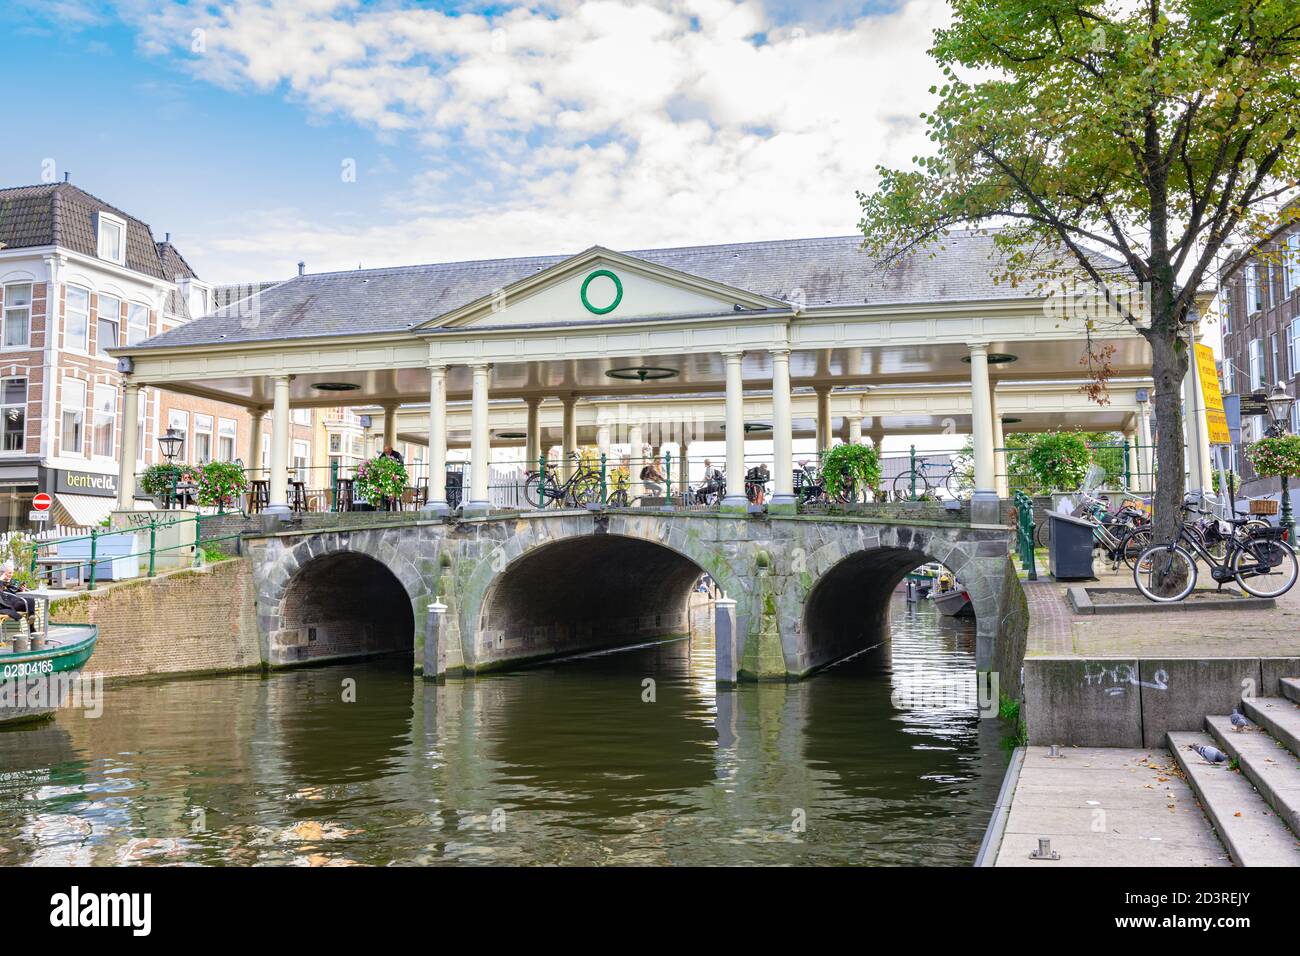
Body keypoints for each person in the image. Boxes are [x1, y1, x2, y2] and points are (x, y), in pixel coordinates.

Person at [0, 561, 37, 631]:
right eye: (9, 573)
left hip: (12, 602)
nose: (11, 575)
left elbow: (12, 592)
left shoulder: (11, 581)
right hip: (4, 605)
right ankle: (31, 628)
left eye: (12, 572)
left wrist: (20, 589)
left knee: (30, 599)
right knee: (26, 602)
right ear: (3, 573)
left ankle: (31, 621)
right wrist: (1, 579)